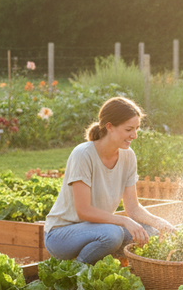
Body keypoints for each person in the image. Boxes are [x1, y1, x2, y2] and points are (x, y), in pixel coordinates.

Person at [44, 97, 174, 264]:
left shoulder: (128, 156)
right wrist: (125, 221)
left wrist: (159, 223)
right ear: (110, 127)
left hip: (99, 230)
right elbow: (84, 211)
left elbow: (133, 208)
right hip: (61, 235)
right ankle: (77, 274)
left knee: (150, 234)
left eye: (136, 129)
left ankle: (117, 269)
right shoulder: (83, 154)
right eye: (129, 129)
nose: (134, 135)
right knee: (113, 235)